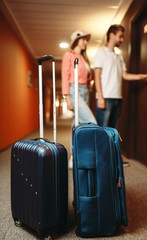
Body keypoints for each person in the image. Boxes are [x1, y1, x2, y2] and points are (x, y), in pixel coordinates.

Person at [93, 24, 147, 167]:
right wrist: (100, 97)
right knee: (103, 131)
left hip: (117, 98)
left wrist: (141, 76)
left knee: (113, 131)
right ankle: (101, 162)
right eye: (120, 36)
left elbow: (124, 75)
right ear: (111, 35)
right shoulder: (100, 54)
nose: (122, 39)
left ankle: (114, 160)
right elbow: (97, 76)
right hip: (105, 97)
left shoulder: (119, 57)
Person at [62, 30, 97, 168]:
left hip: (84, 91)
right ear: (76, 41)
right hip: (73, 90)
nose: (85, 42)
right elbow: (65, 76)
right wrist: (67, 98)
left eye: (86, 40)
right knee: (91, 122)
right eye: (82, 39)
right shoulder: (68, 55)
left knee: (76, 124)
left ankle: (73, 156)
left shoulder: (84, 58)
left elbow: (88, 78)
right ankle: (91, 155)